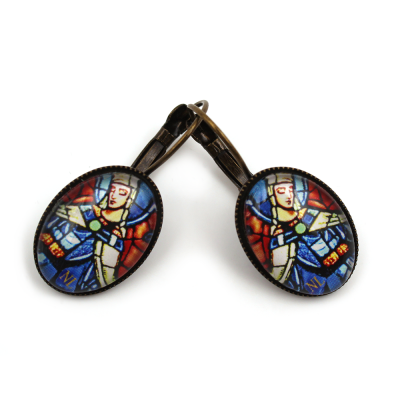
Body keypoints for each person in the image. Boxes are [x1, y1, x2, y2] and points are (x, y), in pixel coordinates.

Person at [37, 172, 157, 293]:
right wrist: (50, 241)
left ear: (130, 199)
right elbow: (56, 225)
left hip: (73, 277)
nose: (114, 196)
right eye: (112, 189)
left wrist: (89, 224)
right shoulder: (85, 210)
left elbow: (109, 258)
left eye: (122, 193)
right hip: (46, 259)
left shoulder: (116, 237)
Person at [245, 173, 355, 294]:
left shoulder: (313, 215)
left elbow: (341, 228)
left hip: (346, 264)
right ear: (272, 195)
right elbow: (283, 274)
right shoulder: (279, 240)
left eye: (291, 189)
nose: (288, 195)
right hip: (318, 283)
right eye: (281, 191)